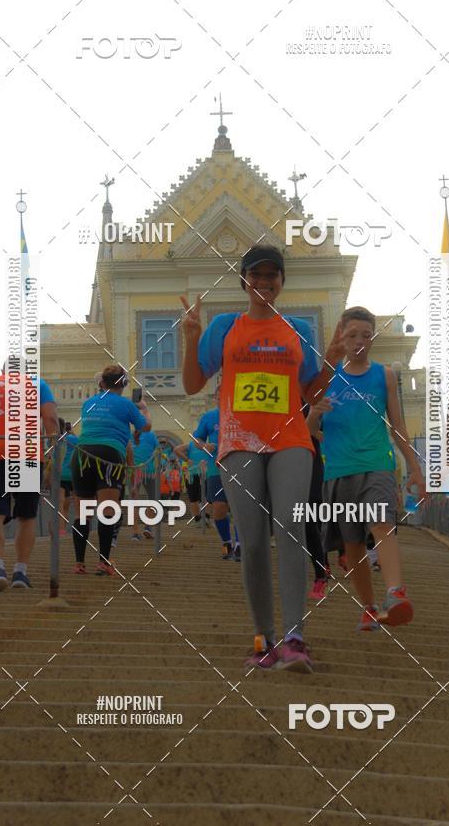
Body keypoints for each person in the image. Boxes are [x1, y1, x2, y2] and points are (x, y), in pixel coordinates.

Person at [181, 245, 345, 672]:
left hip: (291, 439)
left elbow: (312, 392)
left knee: (289, 526)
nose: (265, 281)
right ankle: (264, 639)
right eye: (257, 274)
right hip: (239, 442)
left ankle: (295, 637)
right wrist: (192, 337)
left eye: (273, 274)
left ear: (282, 281)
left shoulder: (298, 331)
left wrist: (334, 359)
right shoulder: (224, 327)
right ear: (244, 280)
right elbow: (192, 384)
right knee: (252, 541)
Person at [321, 307, 426, 632]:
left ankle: (396, 592)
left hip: (378, 464)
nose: (359, 342)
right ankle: (368, 607)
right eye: (352, 335)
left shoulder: (384, 375)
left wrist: (415, 470)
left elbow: (398, 427)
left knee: (382, 524)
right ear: (341, 336)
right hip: (338, 469)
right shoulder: (327, 374)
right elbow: (309, 425)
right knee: (352, 544)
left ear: (373, 338)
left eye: (366, 335)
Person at [0, 365, 58, 592]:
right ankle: (20, 572)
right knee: (26, 516)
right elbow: (51, 420)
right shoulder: (38, 384)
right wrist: (52, 457)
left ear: (3, 370)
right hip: (26, 454)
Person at [71, 365, 151, 576]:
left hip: (82, 454)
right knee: (107, 512)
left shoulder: (88, 403)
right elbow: (146, 427)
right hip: (109, 455)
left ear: (101, 383)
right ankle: (103, 563)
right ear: (123, 385)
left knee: (83, 514)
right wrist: (143, 409)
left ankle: (79, 563)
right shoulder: (126, 404)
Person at [192, 390, 240, 561]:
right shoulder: (209, 416)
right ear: (215, 398)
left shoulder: (242, 414)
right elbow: (197, 439)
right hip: (216, 468)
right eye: (220, 396)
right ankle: (227, 543)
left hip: (241, 467)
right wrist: (204, 446)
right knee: (219, 508)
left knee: (239, 509)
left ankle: (240, 545)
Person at [305, 399, 330, 599]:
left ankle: (321, 573)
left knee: (311, 517)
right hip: (284, 458)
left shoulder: (313, 396)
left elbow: (325, 435)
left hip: (311, 459)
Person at [173, 440, 206, 525]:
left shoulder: (192, 445)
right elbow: (176, 450)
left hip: (198, 473)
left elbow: (176, 449)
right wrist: (187, 459)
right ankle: (201, 519)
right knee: (196, 498)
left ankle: (202, 519)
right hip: (193, 473)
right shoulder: (191, 445)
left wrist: (186, 459)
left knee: (198, 497)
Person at [59, 421, 79, 535]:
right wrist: (73, 433)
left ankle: (62, 530)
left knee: (61, 504)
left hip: (60, 475)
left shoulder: (55, 440)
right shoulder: (75, 439)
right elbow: (81, 444)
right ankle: (78, 527)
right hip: (73, 474)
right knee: (77, 503)